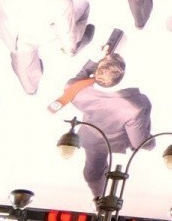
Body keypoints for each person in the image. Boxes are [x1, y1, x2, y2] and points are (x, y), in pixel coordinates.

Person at [50, 52, 154, 199]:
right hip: (120, 139)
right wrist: (151, 144)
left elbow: (81, 76)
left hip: (93, 138)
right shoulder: (136, 105)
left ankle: (98, 198)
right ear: (121, 77)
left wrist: (95, 58)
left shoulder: (75, 89)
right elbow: (139, 142)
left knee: (93, 173)